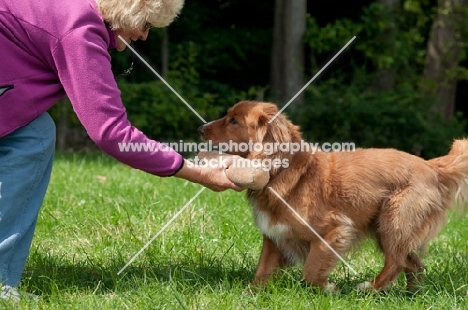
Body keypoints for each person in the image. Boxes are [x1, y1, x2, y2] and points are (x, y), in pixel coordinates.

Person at [0, 0, 242, 301]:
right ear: (131, 10)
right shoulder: (80, 29)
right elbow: (112, 133)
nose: (144, 37)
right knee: (33, 139)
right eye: (147, 25)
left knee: (34, 132)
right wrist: (196, 172)